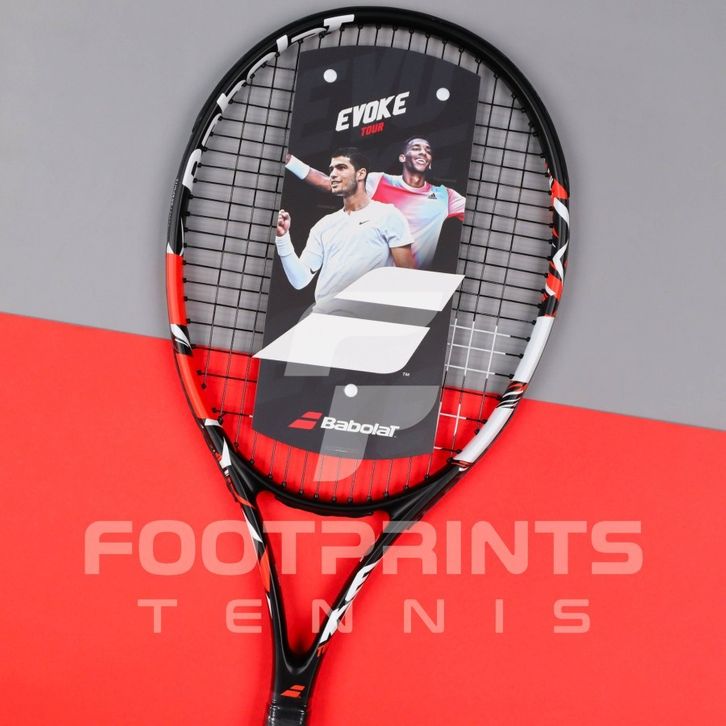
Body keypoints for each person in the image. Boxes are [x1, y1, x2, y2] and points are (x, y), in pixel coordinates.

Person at [284, 137, 466, 268]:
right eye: (416, 148)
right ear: (402, 158)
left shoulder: (445, 197)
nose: (423, 152)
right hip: (367, 281)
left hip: (410, 287)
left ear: (430, 162)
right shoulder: (379, 181)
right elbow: (328, 183)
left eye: (427, 150)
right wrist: (289, 160)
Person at [275, 147, 415, 307]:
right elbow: (300, 280)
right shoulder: (324, 225)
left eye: (341, 168)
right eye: (331, 169)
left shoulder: (388, 215)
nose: (333, 174)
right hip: (324, 316)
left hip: (367, 316)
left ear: (361, 174)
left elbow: (406, 277)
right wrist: (282, 238)